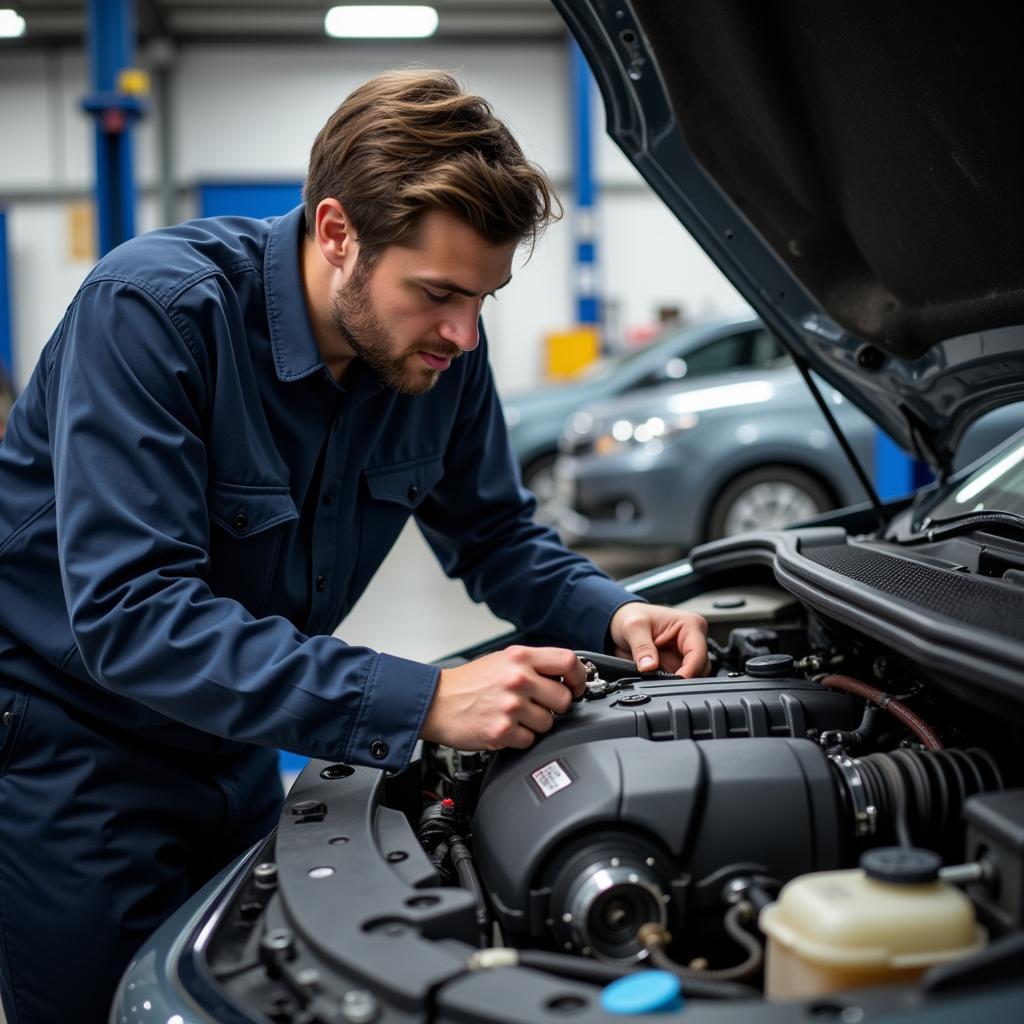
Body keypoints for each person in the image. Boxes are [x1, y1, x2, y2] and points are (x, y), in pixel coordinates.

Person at [0, 70, 708, 1022]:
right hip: (75, 751)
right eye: (438, 293)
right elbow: (135, 616)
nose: (462, 332)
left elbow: (495, 533)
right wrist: (422, 700)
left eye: (484, 299)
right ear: (337, 233)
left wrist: (616, 611)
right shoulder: (155, 316)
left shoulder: (439, 354)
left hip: (242, 738)